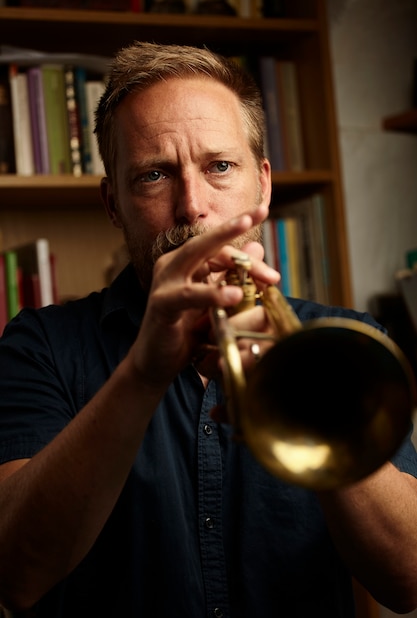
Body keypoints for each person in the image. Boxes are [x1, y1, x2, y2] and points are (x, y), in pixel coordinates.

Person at [0, 41, 416, 618]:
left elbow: (407, 578)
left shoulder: (345, 344)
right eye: (152, 175)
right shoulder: (39, 346)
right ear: (113, 203)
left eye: (219, 166)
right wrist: (142, 374)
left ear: (263, 186)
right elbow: (16, 576)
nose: (192, 206)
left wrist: (311, 401)